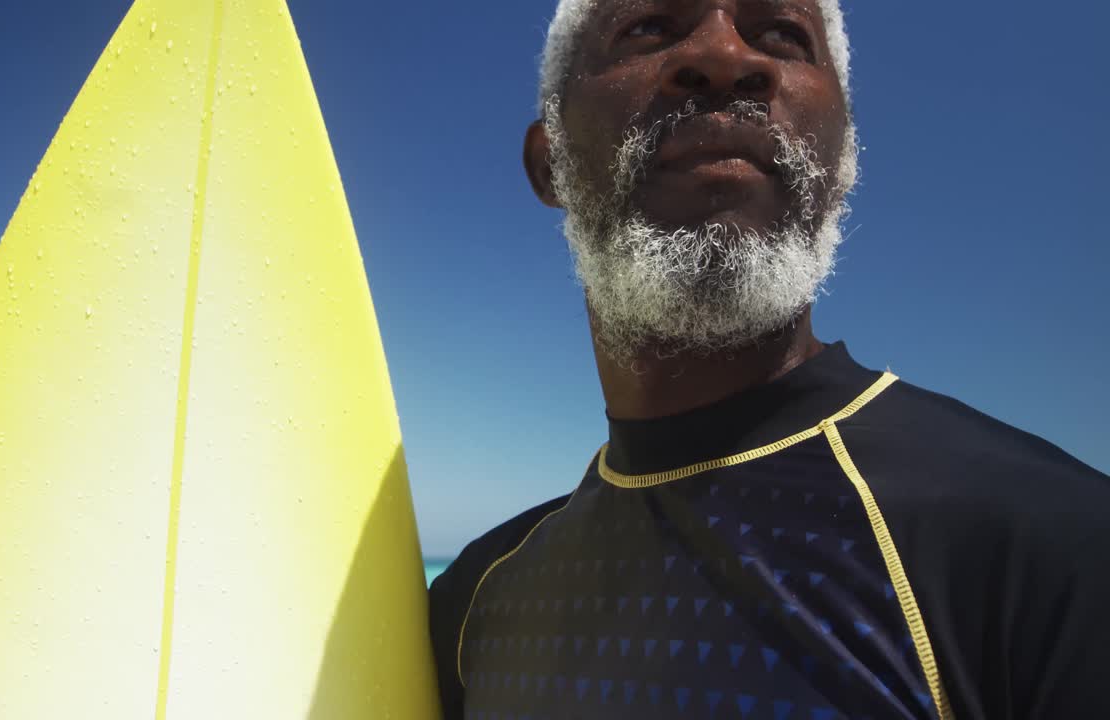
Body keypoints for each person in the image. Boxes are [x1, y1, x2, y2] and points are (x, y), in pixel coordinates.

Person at [426, 0, 1110, 718]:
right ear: (550, 164)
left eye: (781, 34)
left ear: (842, 158)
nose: (726, 56)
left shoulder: (1053, 551)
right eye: (649, 27)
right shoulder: (478, 597)